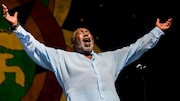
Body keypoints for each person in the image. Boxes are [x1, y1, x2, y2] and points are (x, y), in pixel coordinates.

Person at [2, 3, 172, 101]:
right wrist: (17, 27)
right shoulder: (63, 59)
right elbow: (36, 48)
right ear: (74, 43)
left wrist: (157, 31)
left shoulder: (110, 59)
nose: (87, 34)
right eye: (81, 33)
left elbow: (135, 48)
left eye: (88, 33)